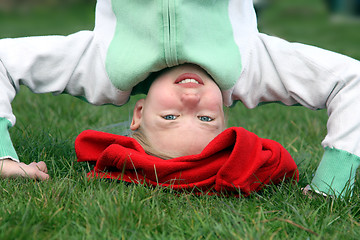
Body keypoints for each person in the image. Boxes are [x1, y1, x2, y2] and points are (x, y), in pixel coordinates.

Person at [0, 0, 359, 197]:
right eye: (206, 120)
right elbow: (351, 80)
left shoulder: (100, 65)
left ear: (138, 113)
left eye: (169, 117)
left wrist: (4, 154)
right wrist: (329, 188)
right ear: (223, 116)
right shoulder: (251, 65)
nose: (190, 100)